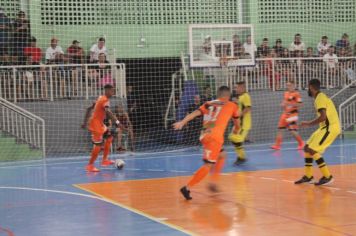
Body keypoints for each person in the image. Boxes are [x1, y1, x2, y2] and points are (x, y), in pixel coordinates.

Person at [174, 86, 240, 200]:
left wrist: (182, 122)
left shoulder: (209, 103)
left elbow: (195, 113)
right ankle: (187, 187)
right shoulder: (232, 105)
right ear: (228, 96)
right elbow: (237, 122)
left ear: (218, 95)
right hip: (215, 137)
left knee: (222, 155)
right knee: (208, 164)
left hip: (205, 134)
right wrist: (236, 129)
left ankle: (213, 183)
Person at [295, 79, 340, 186]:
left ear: (311, 87)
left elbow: (323, 117)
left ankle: (328, 176)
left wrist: (308, 123)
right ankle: (308, 176)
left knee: (313, 149)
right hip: (324, 128)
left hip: (330, 127)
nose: (307, 89)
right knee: (307, 147)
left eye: (307, 87)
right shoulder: (319, 97)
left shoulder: (320, 98)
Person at [81, 84, 121, 172]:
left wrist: (84, 123)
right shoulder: (105, 100)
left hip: (100, 124)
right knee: (98, 145)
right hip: (96, 125)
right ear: (107, 90)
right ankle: (90, 165)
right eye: (111, 90)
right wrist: (118, 122)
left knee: (109, 137)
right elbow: (108, 112)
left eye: (113, 91)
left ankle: (105, 160)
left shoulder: (100, 98)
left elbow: (89, 109)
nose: (113, 92)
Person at [271, 80, 304, 150]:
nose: (288, 87)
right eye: (287, 85)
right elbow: (285, 101)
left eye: (290, 85)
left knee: (292, 130)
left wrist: (290, 104)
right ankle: (277, 145)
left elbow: (300, 104)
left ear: (294, 86)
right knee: (280, 129)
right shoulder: (286, 93)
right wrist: (282, 104)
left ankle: (301, 143)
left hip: (293, 114)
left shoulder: (296, 94)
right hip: (285, 114)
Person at [229, 81, 252, 165]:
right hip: (238, 123)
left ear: (242, 87)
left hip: (244, 124)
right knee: (232, 137)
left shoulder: (246, 96)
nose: (235, 89)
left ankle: (241, 157)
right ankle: (241, 157)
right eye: (235, 87)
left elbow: (248, 108)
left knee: (236, 139)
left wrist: (238, 116)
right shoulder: (240, 96)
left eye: (237, 87)